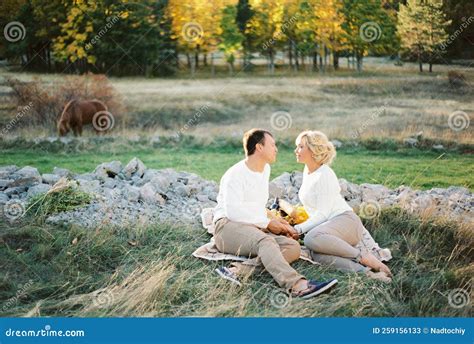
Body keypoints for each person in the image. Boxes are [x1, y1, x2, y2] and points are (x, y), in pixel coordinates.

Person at [213, 128, 338, 298]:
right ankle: (297, 285)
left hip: (251, 227)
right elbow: (233, 212)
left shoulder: (264, 170)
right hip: (226, 227)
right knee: (266, 242)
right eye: (272, 144)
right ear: (259, 147)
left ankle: (236, 270)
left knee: (292, 247)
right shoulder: (235, 174)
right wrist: (267, 224)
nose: (276, 149)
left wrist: (276, 222)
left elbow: (255, 207)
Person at [293, 130, 392, 280]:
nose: (296, 150)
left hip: (346, 221)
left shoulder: (324, 174)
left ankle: (363, 257)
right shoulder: (308, 171)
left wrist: (298, 229)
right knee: (316, 254)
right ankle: (368, 274)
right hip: (329, 229)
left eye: (300, 147)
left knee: (310, 239)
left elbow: (324, 214)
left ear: (313, 151)